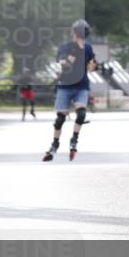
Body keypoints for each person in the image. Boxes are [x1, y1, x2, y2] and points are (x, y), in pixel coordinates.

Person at [43, 19, 96, 162]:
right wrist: (67, 61)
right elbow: (61, 62)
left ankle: (74, 140)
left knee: (81, 114)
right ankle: (54, 144)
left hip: (82, 86)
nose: (81, 36)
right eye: (79, 33)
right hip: (65, 85)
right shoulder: (65, 47)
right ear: (73, 33)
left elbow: (92, 64)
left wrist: (93, 65)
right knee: (60, 118)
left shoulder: (88, 48)